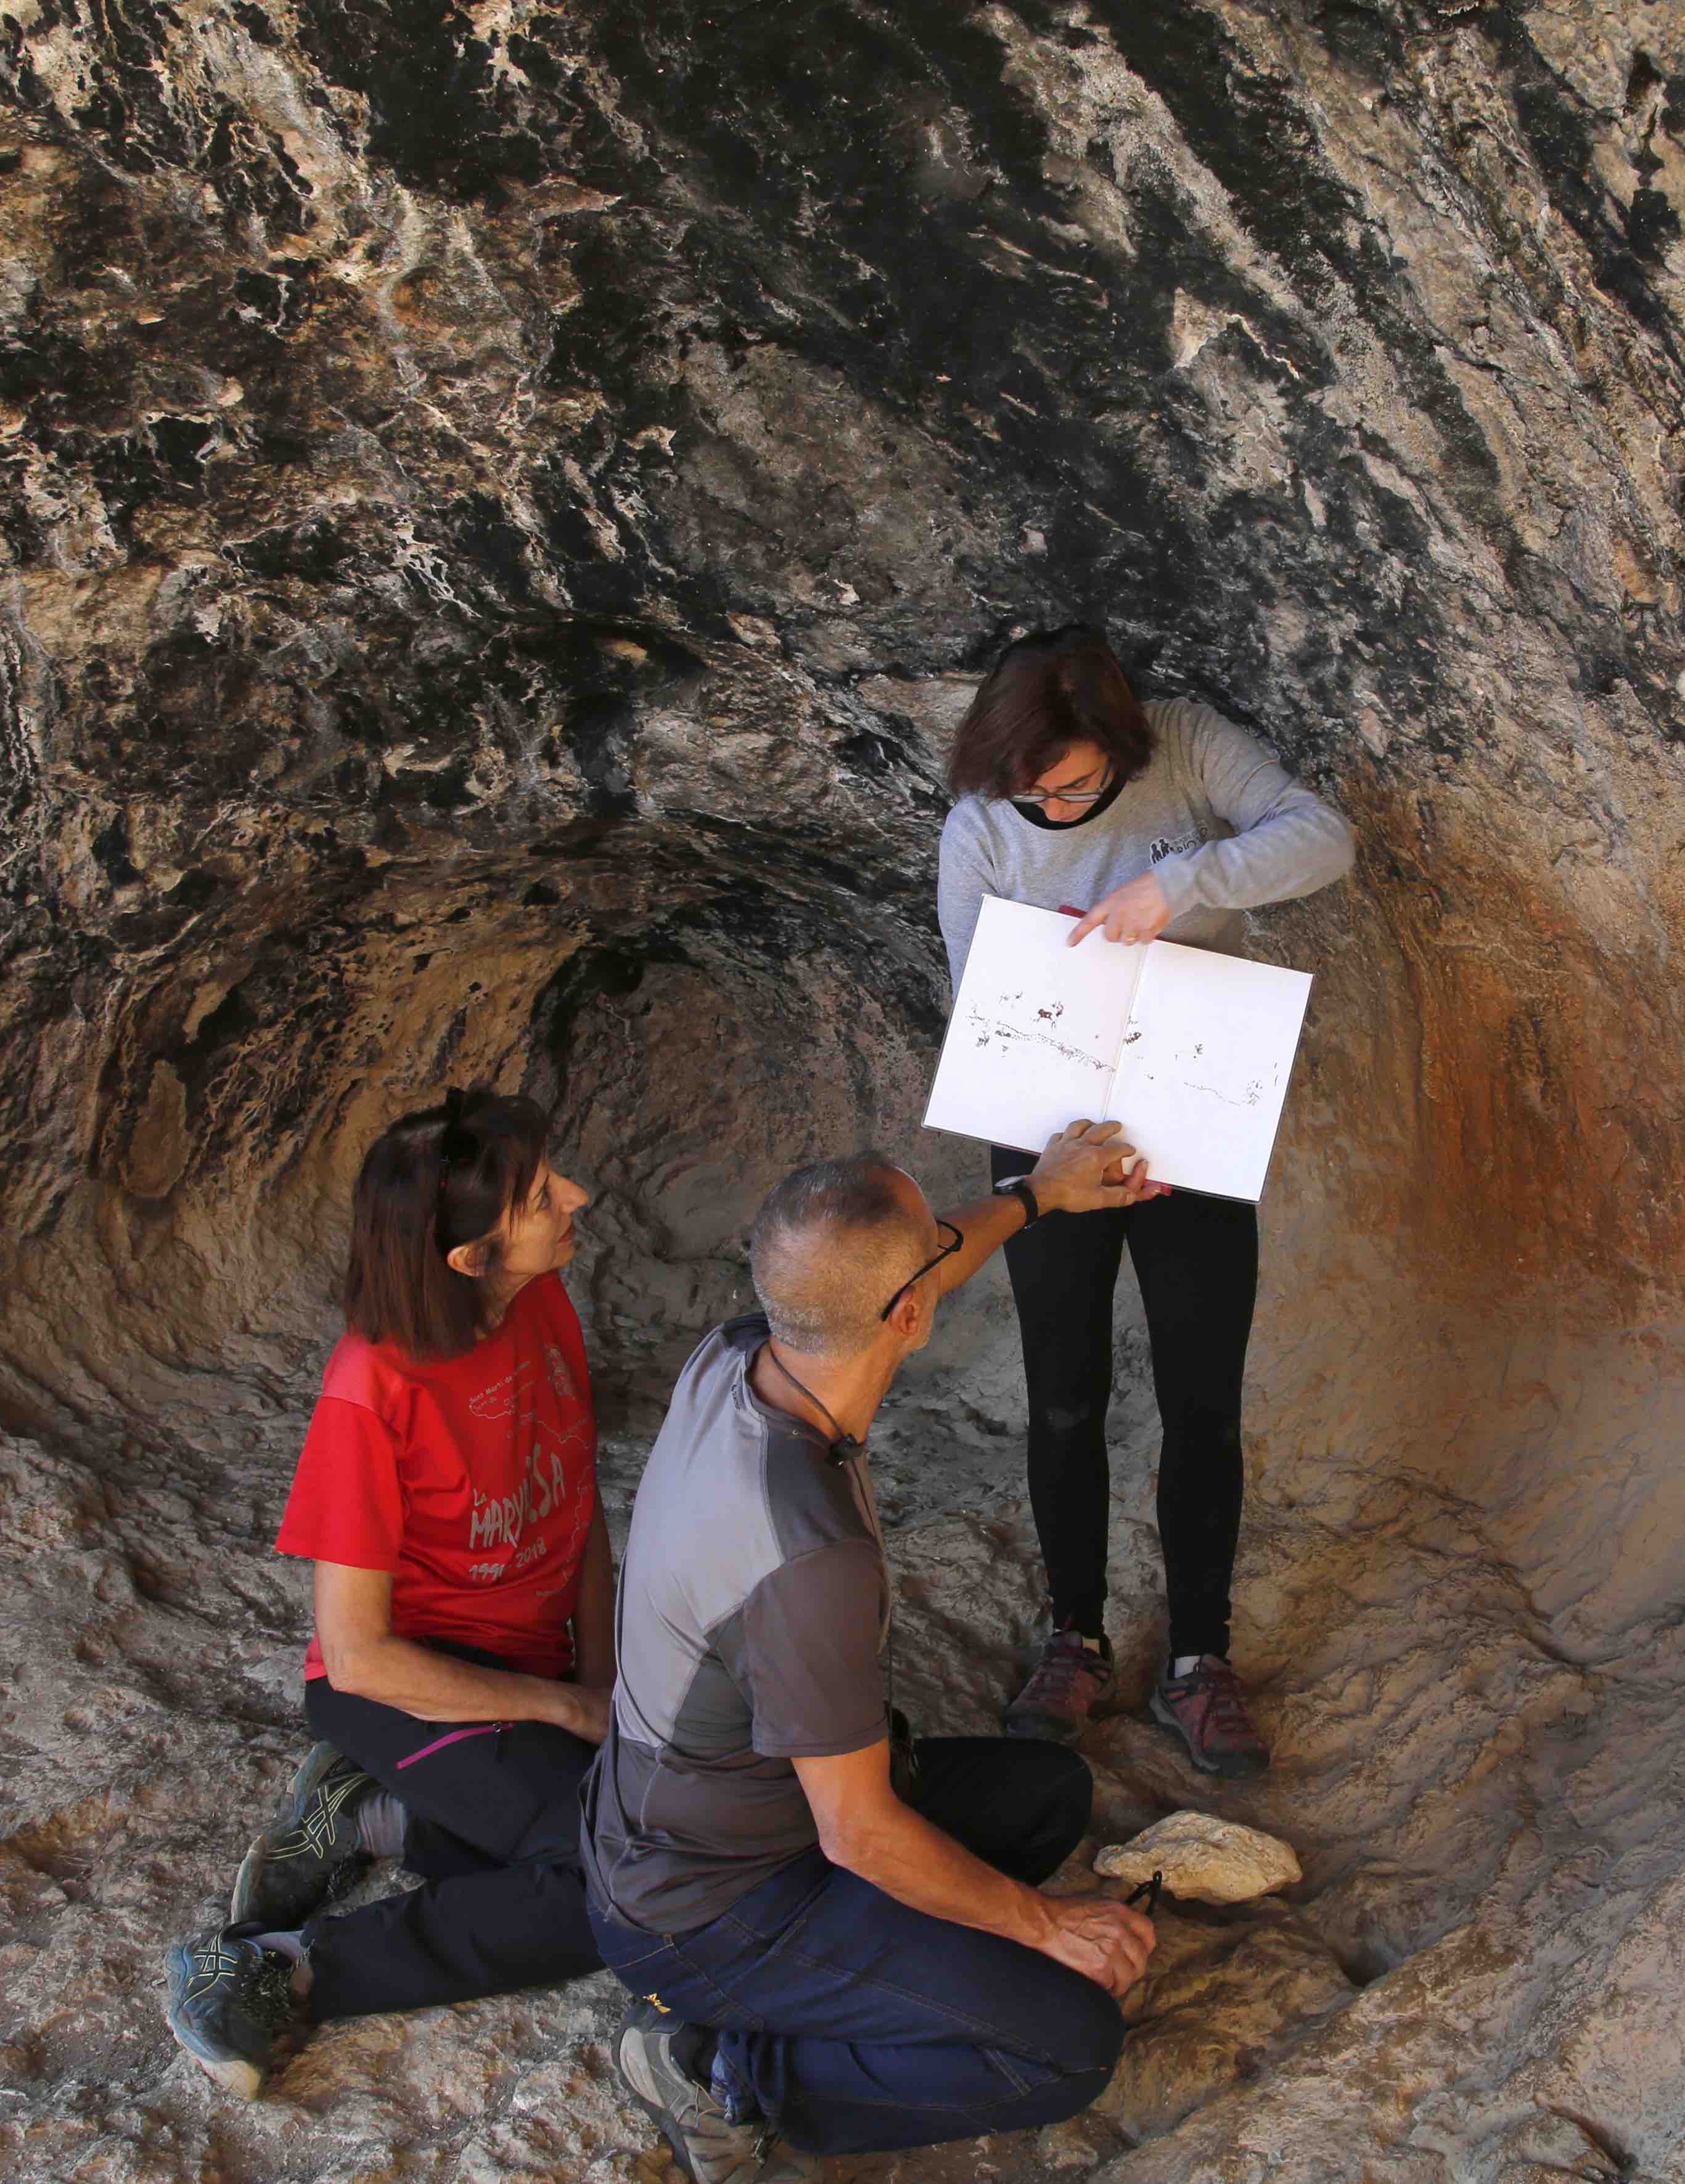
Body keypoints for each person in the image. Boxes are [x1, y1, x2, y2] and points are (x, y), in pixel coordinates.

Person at [583, 1127, 1163, 2183]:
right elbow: (859, 1834)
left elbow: (911, 1258)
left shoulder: (732, 1354)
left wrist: (1040, 1196)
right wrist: (1045, 1929)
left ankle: (879, 1978)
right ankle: (724, 2063)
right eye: (930, 1255)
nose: (947, 1250)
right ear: (910, 1316)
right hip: (714, 1907)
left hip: (709, 1813)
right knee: (1068, 2043)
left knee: (1046, 1794)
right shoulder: (809, 1555)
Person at [936, 626, 1355, 1778]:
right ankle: (1073, 1634)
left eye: (1074, 785)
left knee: (1202, 1395)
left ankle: (1199, 1660)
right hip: (1052, 1135)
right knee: (1063, 1394)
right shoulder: (979, 830)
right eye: (1033, 792)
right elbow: (989, 1017)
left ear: (1119, 746)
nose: (1054, 810)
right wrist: (1072, 1163)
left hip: (1195, 1110)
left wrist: (1179, 883)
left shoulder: (1184, 748)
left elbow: (1324, 840)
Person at [165, 1089, 615, 2096]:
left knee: (682, 1822)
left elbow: (578, 1499)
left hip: (539, 1667)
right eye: (544, 1196)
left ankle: (383, 1818)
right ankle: (282, 1968)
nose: (577, 1196)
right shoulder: (371, 1391)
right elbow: (361, 1656)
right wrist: (568, 1708)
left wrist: (608, 1682)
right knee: (622, 1879)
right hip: (413, 1682)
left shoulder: (538, 1297)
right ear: (469, 1260)